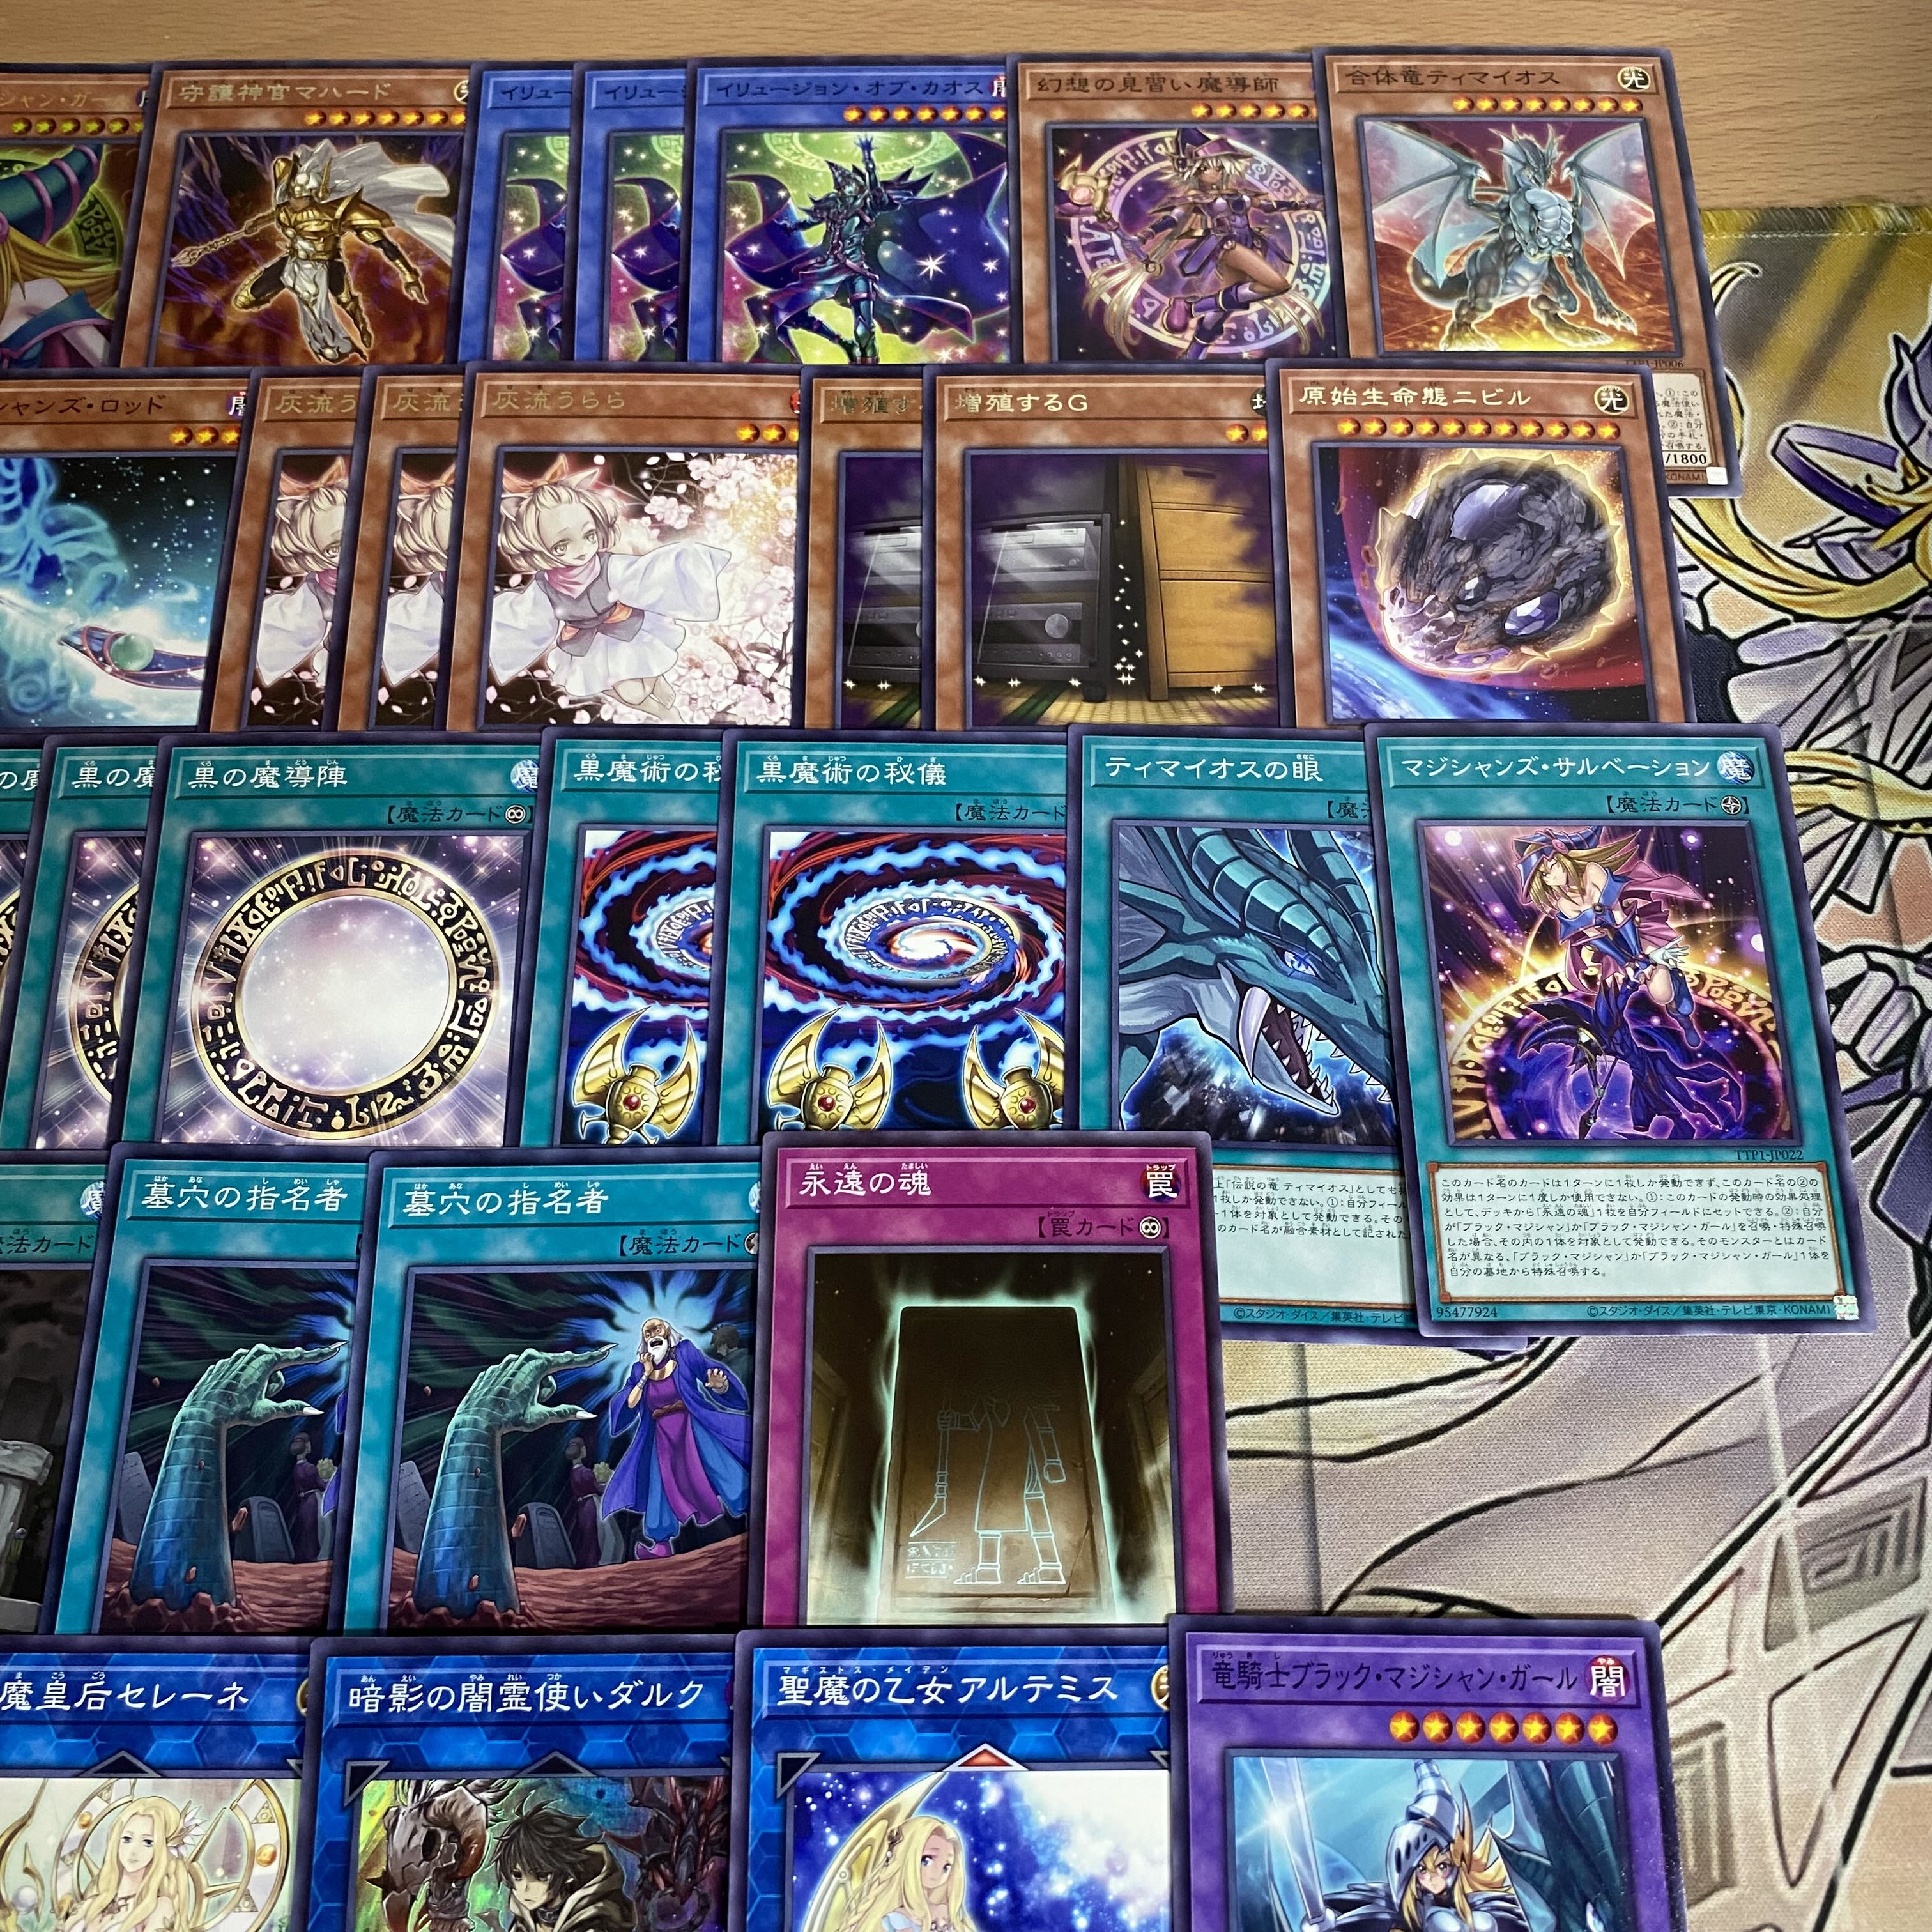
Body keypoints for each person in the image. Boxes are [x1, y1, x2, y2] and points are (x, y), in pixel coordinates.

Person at [487, 472, 727, 718]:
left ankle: (656, 679)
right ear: (536, 547)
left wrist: (691, 563)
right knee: (625, 692)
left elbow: (646, 576)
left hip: (626, 628)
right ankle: (662, 711)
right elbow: (526, 619)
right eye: (561, 546)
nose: (582, 551)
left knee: (638, 684)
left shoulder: (608, 565)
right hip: (585, 643)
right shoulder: (544, 586)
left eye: (589, 536)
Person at [599, 1318, 749, 1559]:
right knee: (660, 1486)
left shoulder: (685, 1353)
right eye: (648, 1334)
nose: (653, 1337)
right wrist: (645, 1375)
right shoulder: (639, 1369)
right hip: (661, 1435)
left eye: (657, 1330)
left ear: (668, 1333)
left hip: (691, 1425)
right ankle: (661, 1544)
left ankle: (753, 1514)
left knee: (719, 1467)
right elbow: (629, 1403)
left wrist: (720, 1387)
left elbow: (710, 1373)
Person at [59, 1798, 203, 1932]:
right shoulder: (90, 1904)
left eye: (148, 1842)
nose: (133, 1851)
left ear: (162, 1850)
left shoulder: (160, 1908)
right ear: (116, 1841)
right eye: (127, 1839)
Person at [563, 1436, 606, 1569]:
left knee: (586, 1535)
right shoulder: (586, 1472)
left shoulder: (573, 1473)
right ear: (581, 1451)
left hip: (581, 1506)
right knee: (593, 1534)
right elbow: (598, 1490)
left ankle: (584, 1562)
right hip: (590, 1505)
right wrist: (606, 1484)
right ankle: (592, 1562)